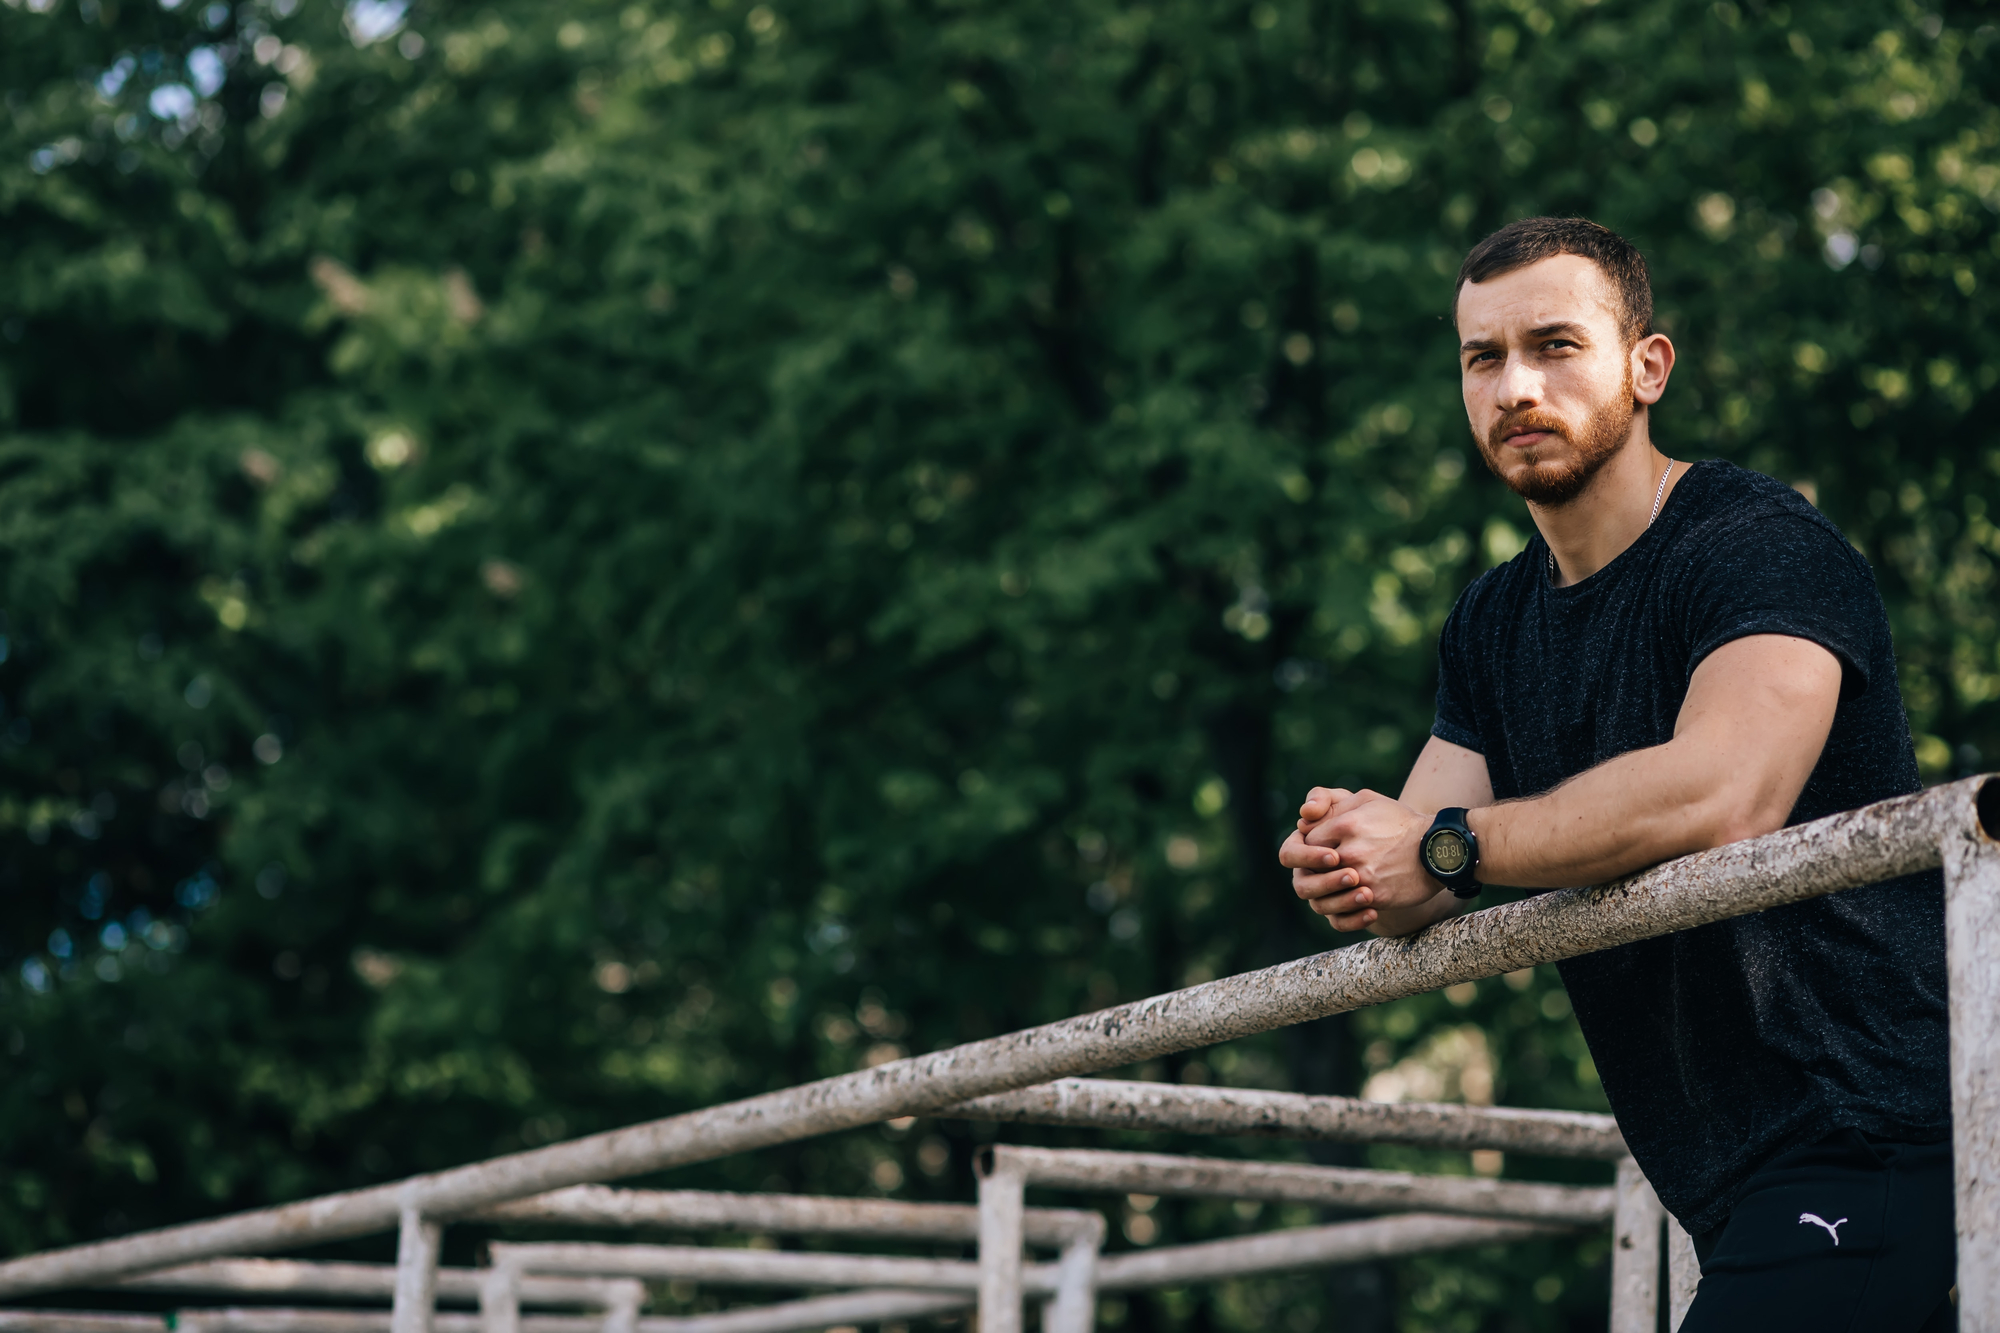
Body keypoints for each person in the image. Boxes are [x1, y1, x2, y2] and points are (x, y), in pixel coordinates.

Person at [1278, 217, 1954, 1328]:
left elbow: (1721, 793)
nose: (1512, 388)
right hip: (1722, 1174)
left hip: (1873, 1125)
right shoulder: (1492, 623)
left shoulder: (1757, 545)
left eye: (1552, 345)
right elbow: (1413, 866)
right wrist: (1346, 853)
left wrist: (1440, 844)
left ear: (1646, 366)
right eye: (1481, 358)